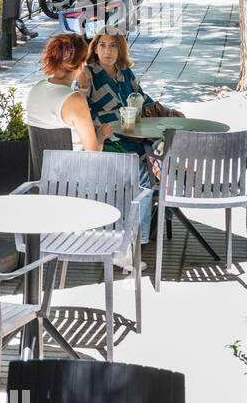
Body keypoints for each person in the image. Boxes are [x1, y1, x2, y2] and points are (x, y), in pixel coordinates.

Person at [80, 26, 179, 249]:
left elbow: (142, 98)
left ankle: (167, 205)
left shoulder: (125, 73)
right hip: (110, 144)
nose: (108, 51)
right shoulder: (89, 75)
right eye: (102, 45)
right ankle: (137, 239)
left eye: (113, 45)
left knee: (167, 154)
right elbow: (83, 112)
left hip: (135, 139)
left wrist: (165, 110)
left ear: (120, 49)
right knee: (144, 179)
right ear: (95, 49)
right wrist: (115, 119)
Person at [25, 32, 109, 153]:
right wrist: (101, 135)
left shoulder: (36, 89)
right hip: (74, 169)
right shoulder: (75, 100)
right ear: (81, 65)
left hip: (42, 170)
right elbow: (93, 154)